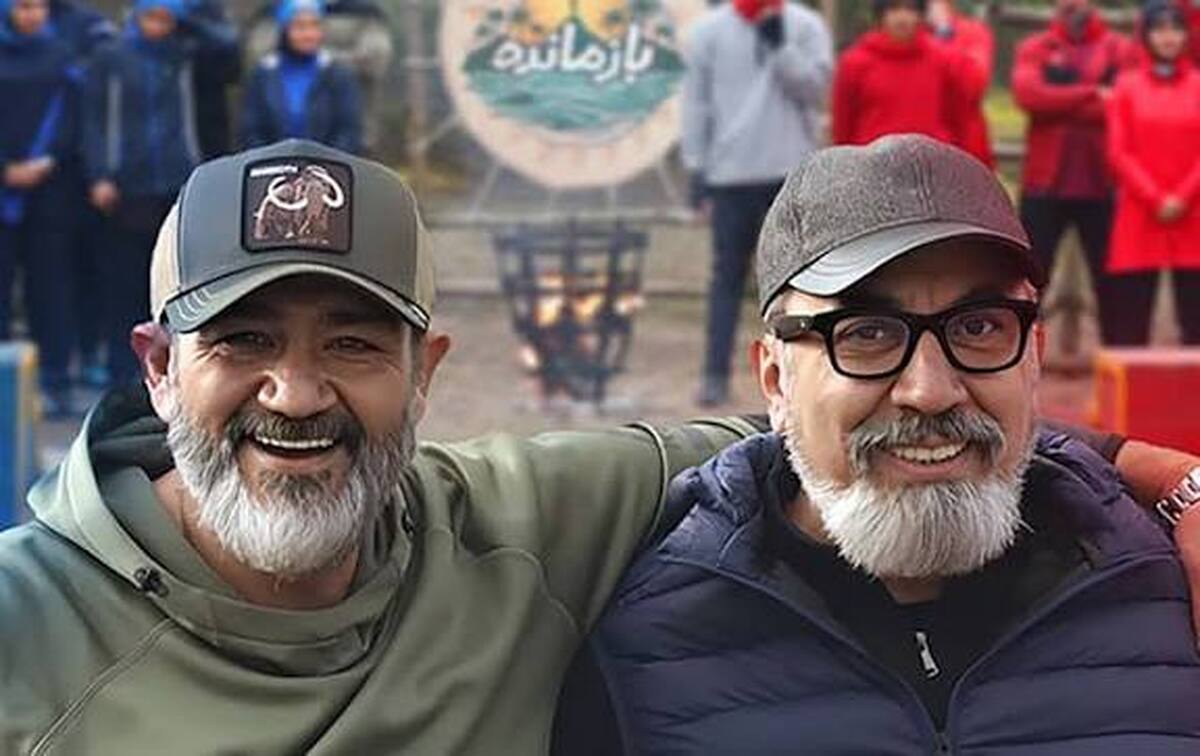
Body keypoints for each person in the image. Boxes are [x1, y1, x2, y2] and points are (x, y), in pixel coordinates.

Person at [0, 138, 1197, 752]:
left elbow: (893, 429)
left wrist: (1172, 483)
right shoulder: (25, 624)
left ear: (428, 370)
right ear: (157, 367)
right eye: (242, 340)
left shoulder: (530, 523)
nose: (297, 392)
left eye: (354, 343)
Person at [553, 135, 1200, 754]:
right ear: (776, 380)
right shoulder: (646, 651)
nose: (931, 391)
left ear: (1033, 356)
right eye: (865, 332)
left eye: (979, 326)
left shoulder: (1160, 585)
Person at [682, 0, 832, 407]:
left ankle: (808, 378)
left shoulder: (805, 25)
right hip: (730, 175)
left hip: (791, 175)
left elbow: (815, 92)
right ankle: (714, 375)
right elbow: (696, 104)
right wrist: (696, 171)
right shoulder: (708, 32)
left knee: (802, 284)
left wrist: (780, 47)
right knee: (727, 278)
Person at [82, 0, 237, 388]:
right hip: (125, 186)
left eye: (167, 19)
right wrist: (100, 173)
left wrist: (191, 21)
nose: (158, 26)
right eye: (152, 17)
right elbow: (93, 120)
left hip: (175, 180)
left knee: (173, 281)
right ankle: (120, 370)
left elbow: (227, 50)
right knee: (122, 281)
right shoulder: (110, 56)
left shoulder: (186, 56)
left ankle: (173, 367)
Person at [1012, 0, 1134, 346]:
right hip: (1045, 185)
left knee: (1114, 287)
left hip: (1103, 184)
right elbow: (1029, 96)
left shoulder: (1119, 49)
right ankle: (1020, 356)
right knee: (1030, 282)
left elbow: (1122, 103)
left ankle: (1118, 363)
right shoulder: (1036, 47)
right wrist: (1092, 91)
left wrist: (1059, 100)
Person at [0, 0, 82, 416]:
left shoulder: (62, 57)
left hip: (51, 191)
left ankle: (55, 381)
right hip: (4, 187)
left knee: (49, 288)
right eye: (23, 6)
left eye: (37, 6)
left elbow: (73, 118)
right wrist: (6, 169)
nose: (30, 15)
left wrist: (46, 161)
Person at [1107, 0, 1200, 345]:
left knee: (1196, 318)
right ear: (1145, 36)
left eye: (1176, 29)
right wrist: (1156, 198)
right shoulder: (1126, 86)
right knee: (1130, 320)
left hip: (1194, 212)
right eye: (1159, 29)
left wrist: (1183, 196)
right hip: (1140, 211)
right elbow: (1119, 152)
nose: (1168, 37)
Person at [831, 0, 975, 161]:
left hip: (931, 165)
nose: (902, 17)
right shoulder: (854, 63)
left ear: (920, 14)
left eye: (910, 9)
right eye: (894, 9)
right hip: (874, 165)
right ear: (881, 14)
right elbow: (843, 126)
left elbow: (960, 120)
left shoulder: (944, 61)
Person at [245, 0, 391, 154]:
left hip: (331, 162)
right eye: (299, 27)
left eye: (314, 26)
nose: (308, 34)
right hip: (271, 162)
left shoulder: (338, 74)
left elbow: (348, 130)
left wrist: (327, 160)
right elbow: (252, 130)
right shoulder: (264, 75)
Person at [927, 0, 994, 167]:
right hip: (916, 149)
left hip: (964, 147)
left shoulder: (972, 32)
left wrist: (943, 32)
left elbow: (974, 86)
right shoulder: (896, 35)